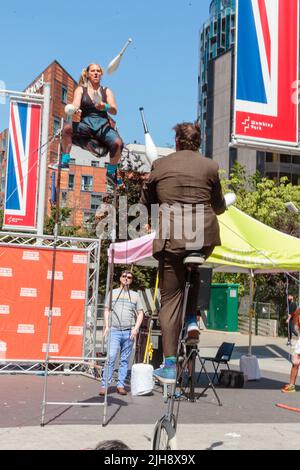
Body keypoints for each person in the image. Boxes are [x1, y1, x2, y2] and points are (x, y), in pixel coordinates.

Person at [140, 122, 226, 384]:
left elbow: (146, 202)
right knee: (195, 265)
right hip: (203, 236)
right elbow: (219, 206)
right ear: (198, 142)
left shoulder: (160, 166)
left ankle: (168, 365)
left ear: (176, 142)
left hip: (172, 238)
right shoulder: (210, 166)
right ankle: (191, 319)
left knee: (169, 300)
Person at [50, 63, 123, 171]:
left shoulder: (106, 91)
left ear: (101, 74)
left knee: (118, 143)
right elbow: (75, 103)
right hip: (86, 125)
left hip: (103, 126)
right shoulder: (80, 90)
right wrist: (73, 108)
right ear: (88, 74)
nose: (96, 73)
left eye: (98, 71)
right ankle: (65, 161)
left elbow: (114, 110)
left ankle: (111, 172)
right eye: (93, 71)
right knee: (66, 128)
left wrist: (105, 106)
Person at [99, 271, 144, 396]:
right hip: (114, 330)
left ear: (131, 280)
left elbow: (140, 313)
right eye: (124, 276)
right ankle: (104, 385)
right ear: (120, 278)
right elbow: (107, 310)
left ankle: (120, 385)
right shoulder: (112, 293)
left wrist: (136, 329)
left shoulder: (135, 295)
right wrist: (107, 326)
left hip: (128, 331)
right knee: (111, 357)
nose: (126, 278)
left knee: (124, 360)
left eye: (129, 277)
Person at [282, 307, 300, 393]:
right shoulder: (298, 315)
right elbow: (294, 320)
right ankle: (292, 385)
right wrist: (297, 312)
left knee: (295, 364)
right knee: (295, 364)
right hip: (299, 345)